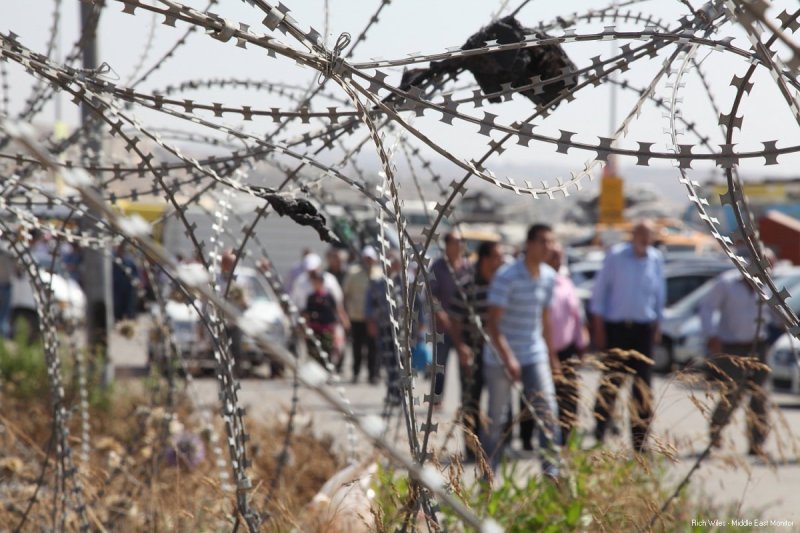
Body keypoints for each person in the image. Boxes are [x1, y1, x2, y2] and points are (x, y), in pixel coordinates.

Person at [481, 224, 561, 477]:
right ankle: (488, 475)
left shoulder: (548, 276)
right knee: (497, 420)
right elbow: (493, 324)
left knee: (548, 412)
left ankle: (552, 476)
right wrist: (508, 358)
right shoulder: (507, 276)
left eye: (550, 242)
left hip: (533, 353)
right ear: (529, 244)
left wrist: (552, 356)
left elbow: (545, 319)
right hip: (501, 356)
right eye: (543, 242)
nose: (548, 247)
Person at [590, 220, 665, 453]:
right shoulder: (616, 257)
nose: (644, 239)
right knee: (611, 383)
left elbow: (659, 294)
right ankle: (599, 434)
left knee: (643, 388)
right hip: (617, 329)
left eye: (648, 235)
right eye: (640, 234)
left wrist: (657, 325)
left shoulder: (655, 259)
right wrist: (599, 329)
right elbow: (599, 294)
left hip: (643, 329)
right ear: (633, 235)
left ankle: (640, 443)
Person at [701, 263, 771, 455]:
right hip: (732, 348)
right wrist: (711, 335)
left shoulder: (767, 286)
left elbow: (776, 315)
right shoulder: (727, 283)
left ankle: (757, 442)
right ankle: (715, 433)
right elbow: (707, 308)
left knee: (759, 397)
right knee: (732, 394)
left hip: (758, 348)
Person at [451, 240, 505, 462]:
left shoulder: (502, 285)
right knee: (471, 401)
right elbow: (454, 320)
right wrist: (461, 347)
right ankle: (472, 450)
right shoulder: (467, 286)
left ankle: (497, 448)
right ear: (484, 259)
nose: (500, 262)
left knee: (500, 403)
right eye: (496, 257)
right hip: (472, 351)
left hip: (497, 352)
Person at [545, 242, 588, 443]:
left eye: (559, 256)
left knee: (569, 395)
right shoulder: (539, 281)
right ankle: (536, 439)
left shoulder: (565, 282)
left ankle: (567, 438)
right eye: (553, 256)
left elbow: (576, 315)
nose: (557, 260)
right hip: (543, 350)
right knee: (542, 397)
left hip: (567, 349)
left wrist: (581, 342)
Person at [428, 231, 471, 402]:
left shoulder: (467, 266)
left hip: (462, 326)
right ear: (447, 245)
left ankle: (466, 401)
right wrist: (440, 313)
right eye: (455, 242)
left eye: (461, 241)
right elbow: (431, 294)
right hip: (443, 326)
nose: (459, 245)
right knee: (440, 364)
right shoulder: (438, 267)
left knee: (465, 365)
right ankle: (437, 399)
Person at [343, 246, 380, 384]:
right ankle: (356, 373)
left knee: (373, 348)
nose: (368, 261)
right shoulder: (353, 274)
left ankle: (373, 375)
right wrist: (345, 315)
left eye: (370, 259)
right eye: (366, 258)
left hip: (373, 319)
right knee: (357, 348)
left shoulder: (379, 274)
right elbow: (346, 294)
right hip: (356, 317)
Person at [305, 270, 350, 372]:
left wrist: (344, 321)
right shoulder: (311, 297)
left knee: (327, 350)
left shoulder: (328, 297)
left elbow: (337, 310)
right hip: (314, 328)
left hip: (327, 328)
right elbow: (307, 313)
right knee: (314, 351)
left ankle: (327, 371)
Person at [0, 243, 13, 339]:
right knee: (4, 314)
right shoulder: (7, 252)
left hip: (5, 286)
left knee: (4, 314)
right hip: (5, 285)